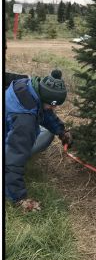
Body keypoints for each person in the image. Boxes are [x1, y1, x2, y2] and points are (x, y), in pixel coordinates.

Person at [5, 69, 73, 212]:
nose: (54, 108)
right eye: (52, 104)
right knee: (17, 153)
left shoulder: (28, 87)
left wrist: (61, 131)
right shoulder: (25, 121)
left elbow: (45, 112)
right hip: (13, 133)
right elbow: (12, 162)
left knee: (46, 133)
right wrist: (20, 199)